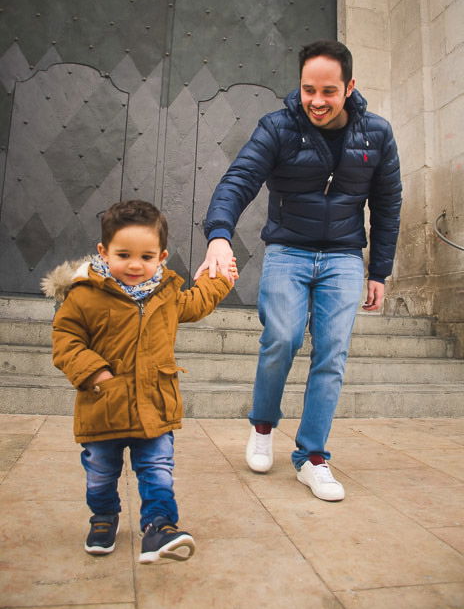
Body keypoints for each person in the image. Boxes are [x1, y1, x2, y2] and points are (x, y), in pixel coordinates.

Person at [195, 40, 401, 502]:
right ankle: (263, 425)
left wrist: (379, 272)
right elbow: (239, 179)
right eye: (309, 89)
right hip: (288, 250)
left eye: (329, 91)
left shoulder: (377, 134)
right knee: (282, 337)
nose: (317, 101)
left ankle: (312, 458)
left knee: (331, 354)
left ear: (350, 88)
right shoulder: (278, 128)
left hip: (344, 257)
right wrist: (219, 234)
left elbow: (388, 206)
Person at [42, 199, 237, 562]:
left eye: (147, 257)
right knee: (100, 473)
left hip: (154, 406)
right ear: (104, 251)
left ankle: (159, 526)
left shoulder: (164, 294)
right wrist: (94, 372)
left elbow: (195, 303)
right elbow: (66, 340)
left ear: (161, 257)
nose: (136, 265)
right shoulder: (85, 295)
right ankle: (103, 516)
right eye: (124, 254)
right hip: (104, 404)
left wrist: (222, 278)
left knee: (157, 470)